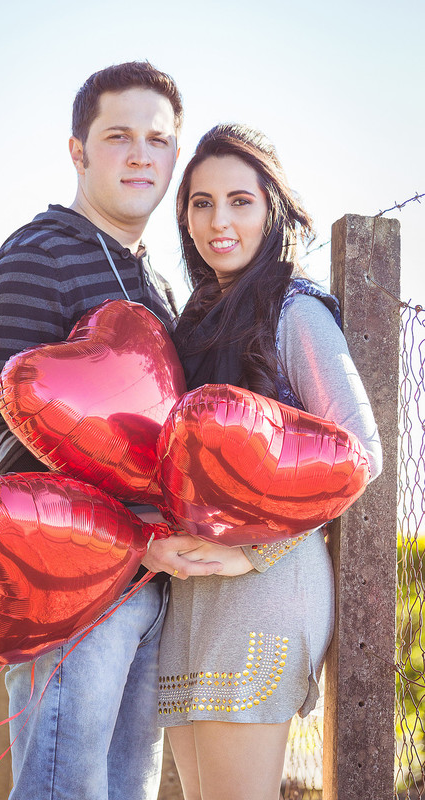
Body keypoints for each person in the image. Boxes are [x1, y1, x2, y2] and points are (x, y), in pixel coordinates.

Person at [0, 62, 224, 800]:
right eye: (118, 136)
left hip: (156, 582)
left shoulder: (159, 284)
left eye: (158, 139)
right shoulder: (36, 257)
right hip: (75, 586)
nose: (141, 155)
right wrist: (125, 534)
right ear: (78, 151)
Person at [156, 124, 383, 800]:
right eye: (200, 203)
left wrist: (253, 552)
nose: (217, 222)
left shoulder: (294, 310)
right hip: (189, 595)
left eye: (239, 201)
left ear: (272, 211)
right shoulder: (194, 322)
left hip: (265, 588)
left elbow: (359, 451)